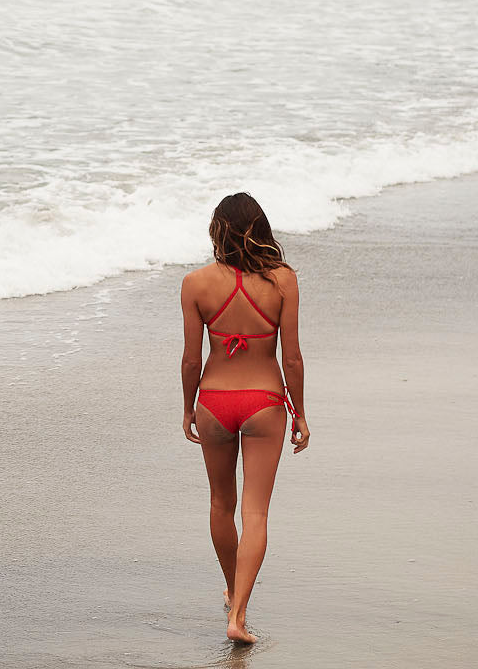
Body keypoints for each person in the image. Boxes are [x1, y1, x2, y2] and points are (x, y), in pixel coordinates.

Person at [180, 192, 309, 644]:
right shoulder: (283, 282)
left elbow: (191, 360)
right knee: (255, 513)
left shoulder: (195, 283)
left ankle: (232, 585)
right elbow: (291, 359)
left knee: (221, 504)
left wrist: (186, 406)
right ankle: (237, 614)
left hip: (213, 402)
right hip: (264, 403)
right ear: (261, 228)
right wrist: (302, 414)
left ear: (217, 230)